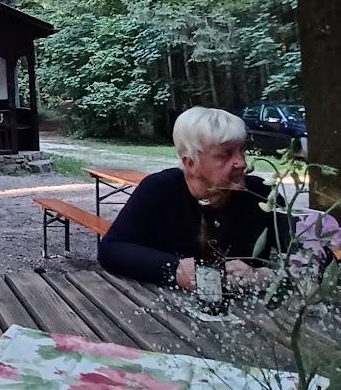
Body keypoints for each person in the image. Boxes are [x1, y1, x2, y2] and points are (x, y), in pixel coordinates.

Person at [98, 106, 292, 290]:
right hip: (163, 312)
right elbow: (111, 250)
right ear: (191, 163)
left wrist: (261, 275)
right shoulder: (160, 189)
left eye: (242, 151)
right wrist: (175, 269)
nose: (241, 163)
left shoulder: (262, 195)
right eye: (226, 155)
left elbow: (308, 259)